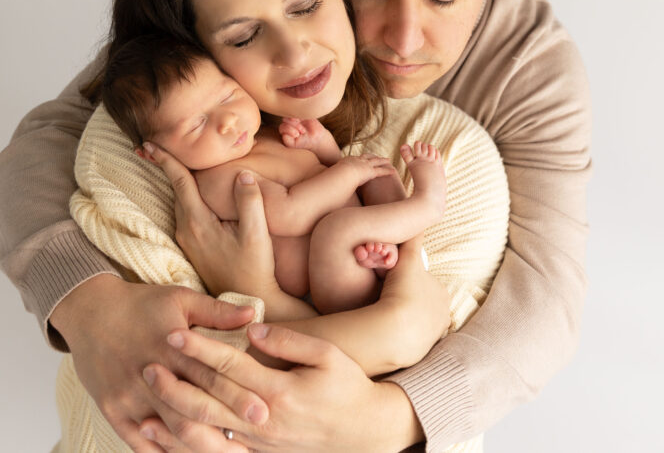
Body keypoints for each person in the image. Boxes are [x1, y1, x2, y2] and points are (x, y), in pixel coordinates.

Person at [0, 0, 591, 452]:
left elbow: (547, 293)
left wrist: (394, 417)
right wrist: (91, 310)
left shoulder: (530, 65)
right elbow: (47, 138)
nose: (403, 37)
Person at [97, 33, 446, 313]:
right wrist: (347, 173)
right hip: (331, 282)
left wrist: (323, 146)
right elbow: (290, 213)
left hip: (365, 239)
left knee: (375, 170)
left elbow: (324, 170)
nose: (228, 121)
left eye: (228, 96)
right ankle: (426, 206)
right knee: (339, 222)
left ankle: (392, 250)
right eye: (197, 124)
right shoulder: (218, 179)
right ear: (154, 153)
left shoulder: (259, 133)